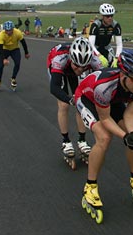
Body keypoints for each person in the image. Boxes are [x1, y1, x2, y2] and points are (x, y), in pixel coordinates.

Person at [75, 49, 133, 223]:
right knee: (104, 138)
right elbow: (105, 119)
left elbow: (130, 114)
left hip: (113, 101)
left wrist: (132, 135)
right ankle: (90, 186)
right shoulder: (104, 86)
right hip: (87, 98)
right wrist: (124, 136)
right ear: (123, 74)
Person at [47, 37, 103, 168]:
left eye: (84, 67)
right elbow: (53, 88)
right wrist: (68, 99)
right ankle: (66, 141)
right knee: (64, 104)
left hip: (70, 67)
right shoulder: (59, 59)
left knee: (81, 103)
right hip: (59, 67)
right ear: (71, 58)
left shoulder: (95, 61)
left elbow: (101, 82)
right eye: (77, 65)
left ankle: (82, 140)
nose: (80, 69)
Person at [0, 21, 30, 92]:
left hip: (14, 49)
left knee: (17, 63)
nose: (9, 32)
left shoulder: (17, 32)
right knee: (1, 65)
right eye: (7, 30)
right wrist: (4, 59)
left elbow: (23, 43)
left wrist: (26, 53)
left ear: (13, 29)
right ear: (4, 30)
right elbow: (0, 48)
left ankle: (13, 78)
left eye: (10, 30)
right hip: (4, 50)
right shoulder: (1, 34)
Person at [89, 3, 123, 67]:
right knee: (97, 64)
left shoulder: (116, 25)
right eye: (107, 16)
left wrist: (117, 58)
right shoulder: (95, 25)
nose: (110, 18)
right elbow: (91, 44)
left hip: (107, 47)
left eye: (111, 16)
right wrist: (99, 55)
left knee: (115, 65)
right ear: (102, 16)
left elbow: (119, 44)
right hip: (96, 47)